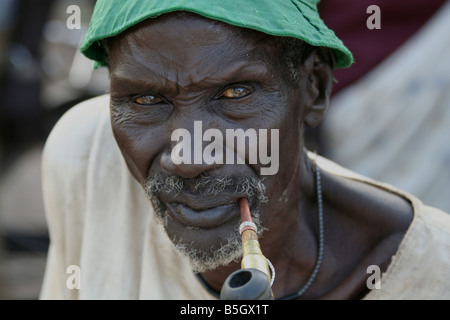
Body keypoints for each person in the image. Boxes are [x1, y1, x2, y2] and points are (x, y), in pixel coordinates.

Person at [39, 0, 450, 300]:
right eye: (146, 100)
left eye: (235, 94)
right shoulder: (89, 153)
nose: (190, 158)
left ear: (314, 87)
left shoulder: (431, 272)